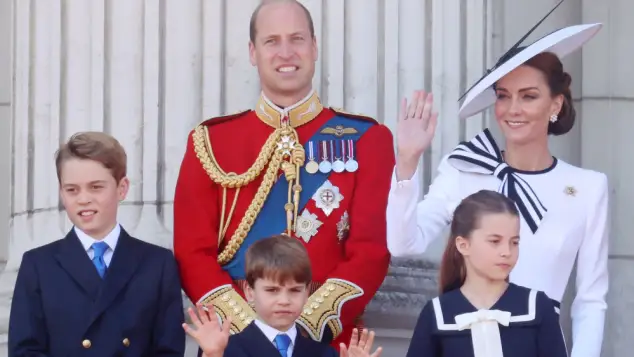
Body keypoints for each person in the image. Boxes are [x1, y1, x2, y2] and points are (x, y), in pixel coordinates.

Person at [387, 3, 607, 356]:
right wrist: (407, 163)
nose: (512, 110)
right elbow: (403, 245)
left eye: (529, 96)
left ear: (555, 105)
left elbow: (591, 300)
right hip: (462, 340)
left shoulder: (587, 188)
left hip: (539, 344)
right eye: (504, 96)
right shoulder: (464, 168)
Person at [173, 0, 394, 348]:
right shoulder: (211, 141)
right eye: (271, 41)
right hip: (235, 344)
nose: (286, 52)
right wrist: (252, 333)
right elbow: (192, 252)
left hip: (327, 345)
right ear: (252, 51)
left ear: (315, 46)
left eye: (297, 39)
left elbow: (371, 252)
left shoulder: (367, 139)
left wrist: (301, 329)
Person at [8, 132, 185, 356]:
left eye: (96, 187)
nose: (83, 199)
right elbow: (25, 350)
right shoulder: (38, 265)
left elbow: (168, 350)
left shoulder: (157, 264)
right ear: (62, 192)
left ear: (122, 188)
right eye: (72, 189)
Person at [405, 190, 568, 357]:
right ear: (463, 245)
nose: (506, 251)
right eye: (495, 241)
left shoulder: (537, 307)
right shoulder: (437, 313)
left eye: (514, 242)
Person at [182, 235, 383, 357]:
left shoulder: (324, 353)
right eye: (272, 290)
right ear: (250, 292)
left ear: (307, 293)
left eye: (295, 290)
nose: (284, 300)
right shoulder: (226, 348)